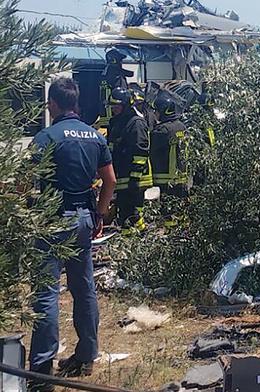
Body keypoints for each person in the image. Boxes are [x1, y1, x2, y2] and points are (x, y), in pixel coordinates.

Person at [29, 78, 116, 391]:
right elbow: (110, 181)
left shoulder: (46, 137)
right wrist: (99, 215)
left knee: (47, 293)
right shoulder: (94, 137)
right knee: (84, 287)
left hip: (53, 220)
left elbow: (27, 182)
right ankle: (86, 355)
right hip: (83, 220)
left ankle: (40, 373)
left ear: (52, 104)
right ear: (75, 103)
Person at [107, 86, 153, 230]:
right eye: (112, 106)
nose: (114, 109)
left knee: (132, 213)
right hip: (122, 176)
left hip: (135, 178)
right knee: (124, 213)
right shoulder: (116, 123)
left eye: (117, 106)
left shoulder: (136, 123)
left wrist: (134, 179)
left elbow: (141, 152)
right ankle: (132, 236)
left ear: (125, 105)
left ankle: (140, 234)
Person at [150, 91, 189, 197]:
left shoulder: (162, 130)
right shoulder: (182, 127)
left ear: (163, 111)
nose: (154, 114)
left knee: (166, 212)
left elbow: (150, 151)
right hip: (182, 179)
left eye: (156, 111)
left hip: (165, 181)